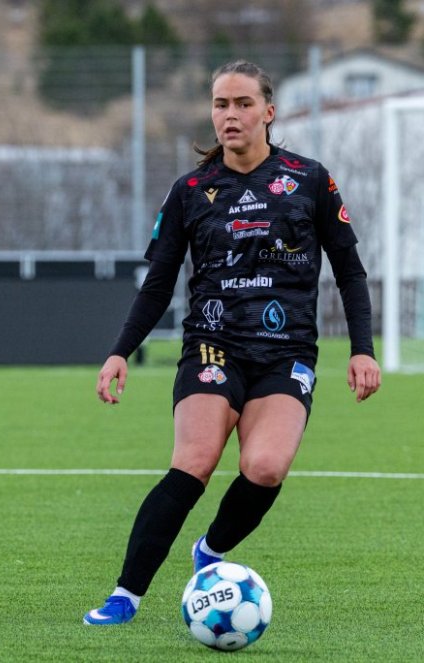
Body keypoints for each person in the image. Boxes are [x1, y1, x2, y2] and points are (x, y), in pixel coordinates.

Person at [83, 60, 381, 625]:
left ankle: (211, 549)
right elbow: (158, 284)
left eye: (243, 103)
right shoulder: (191, 190)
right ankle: (125, 595)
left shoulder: (309, 179)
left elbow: (350, 271)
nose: (231, 115)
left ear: (268, 112)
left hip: (286, 351)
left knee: (265, 467)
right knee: (194, 461)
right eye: (221, 104)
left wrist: (362, 348)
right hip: (211, 346)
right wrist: (120, 350)